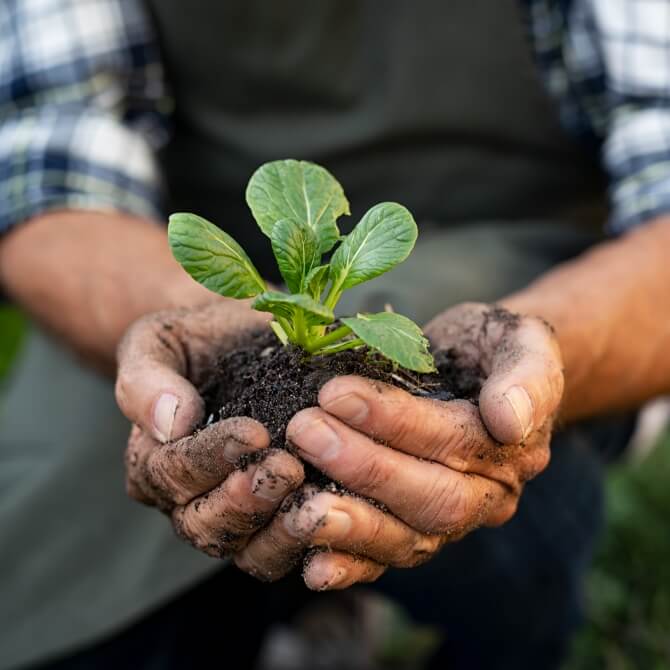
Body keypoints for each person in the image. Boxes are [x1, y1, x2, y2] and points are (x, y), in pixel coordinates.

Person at [1, 0, 669, 668]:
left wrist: (543, 360)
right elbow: (47, 166)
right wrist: (188, 328)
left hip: (534, 270)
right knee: (65, 556)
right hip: (164, 272)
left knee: (458, 447)